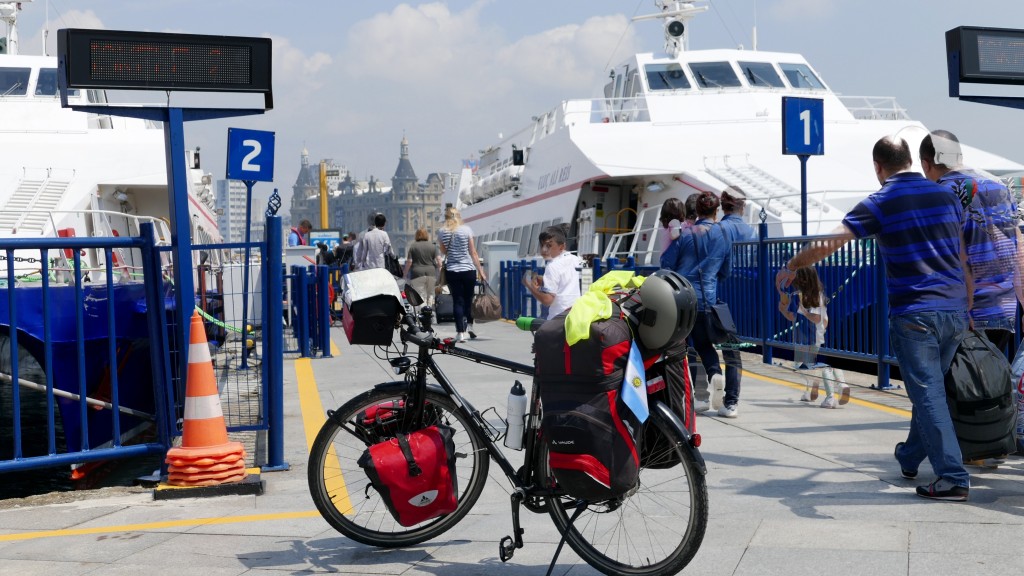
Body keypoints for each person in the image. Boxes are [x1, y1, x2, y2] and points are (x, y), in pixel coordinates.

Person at [777, 135, 970, 501]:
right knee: (929, 392)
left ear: (878, 167)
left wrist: (792, 264)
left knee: (927, 395)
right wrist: (969, 306)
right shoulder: (945, 194)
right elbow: (961, 252)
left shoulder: (881, 200)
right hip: (955, 310)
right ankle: (910, 455)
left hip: (916, 313)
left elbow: (828, 244)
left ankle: (953, 477)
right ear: (912, 160)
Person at [921, 130, 1023, 353]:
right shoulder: (1000, 187)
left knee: (959, 385)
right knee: (991, 383)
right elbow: (1018, 247)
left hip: (964, 314)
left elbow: (956, 257)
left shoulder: (940, 195)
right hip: (1004, 310)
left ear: (926, 164)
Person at [661, 191, 736, 417]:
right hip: (709, 300)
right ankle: (715, 373)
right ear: (716, 211)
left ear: (696, 210)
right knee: (705, 345)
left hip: (684, 300)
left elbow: (666, 263)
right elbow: (726, 270)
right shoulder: (723, 234)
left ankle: (694, 395)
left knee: (685, 349)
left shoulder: (685, 234)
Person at [778, 267, 844, 408]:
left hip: (813, 336)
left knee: (818, 366)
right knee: (806, 365)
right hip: (809, 336)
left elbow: (816, 318)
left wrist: (804, 312)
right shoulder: (804, 295)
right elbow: (795, 317)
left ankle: (831, 396)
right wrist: (783, 310)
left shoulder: (813, 297)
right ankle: (819, 389)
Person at [715, 187, 755, 417]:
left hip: (717, 296)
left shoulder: (719, 229)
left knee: (698, 346)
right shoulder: (751, 232)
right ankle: (731, 401)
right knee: (733, 351)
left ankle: (704, 390)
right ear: (743, 206)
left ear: (722, 206)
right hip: (742, 298)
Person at [438, 207, 486, 343]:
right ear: (458, 216)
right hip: (468, 270)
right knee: (468, 298)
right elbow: (473, 252)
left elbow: (443, 251)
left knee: (457, 301)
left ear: (446, 217)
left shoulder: (442, 232)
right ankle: (469, 324)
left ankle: (460, 332)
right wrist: (481, 271)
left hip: (452, 270)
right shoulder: (466, 230)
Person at [521, 225, 583, 320]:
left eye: (549, 245)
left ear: (562, 246)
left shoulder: (552, 266)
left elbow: (547, 300)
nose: (544, 250)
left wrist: (529, 285)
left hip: (559, 319)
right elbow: (569, 282)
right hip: (578, 316)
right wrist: (544, 280)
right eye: (542, 245)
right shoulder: (577, 260)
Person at [404, 228, 441, 307]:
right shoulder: (433, 246)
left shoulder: (413, 247)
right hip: (431, 273)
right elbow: (439, 261)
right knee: (431, 294)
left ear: (416, 235)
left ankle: (423, 314)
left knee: (420, 295)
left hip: (417, 274)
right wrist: (440, 271)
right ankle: (430, 311)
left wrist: (405, 274)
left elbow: (409, 262)